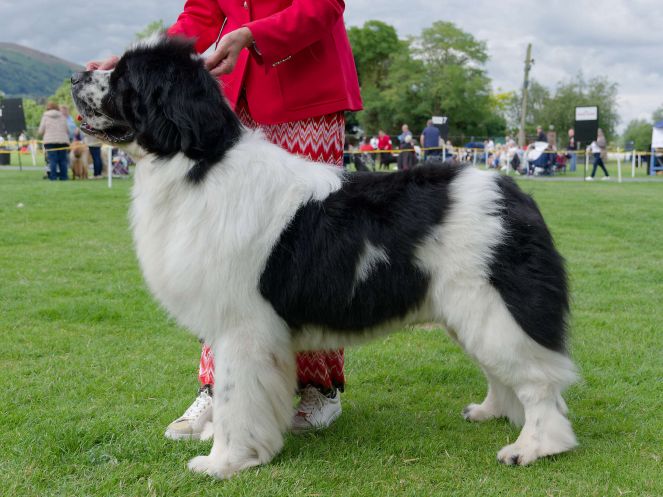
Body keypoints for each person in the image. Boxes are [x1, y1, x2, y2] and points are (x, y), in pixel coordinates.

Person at [88, 0, 362, 440]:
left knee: (311, 253)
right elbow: (198, 16)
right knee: (216, 255)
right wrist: (129, 63)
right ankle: (218, 388)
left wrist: (253, 35)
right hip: (230, 99)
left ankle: (319, 387)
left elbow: (324, 5)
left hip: (305, 96)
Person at [38, 102, 70, 181]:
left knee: (52, 160)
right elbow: (67, 130)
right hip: (63, 141)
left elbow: (40, 131)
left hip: (50, 142)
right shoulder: (62, 116)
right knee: (63, 160)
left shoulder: (45, 117)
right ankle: (64, 177)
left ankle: (53, 177)